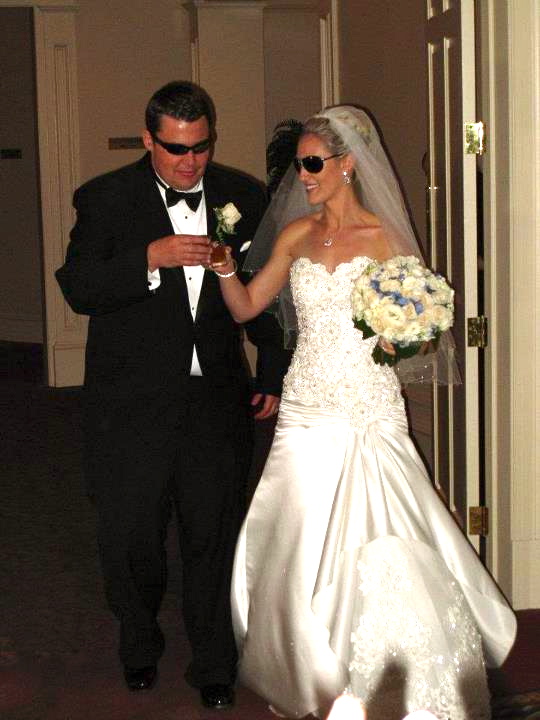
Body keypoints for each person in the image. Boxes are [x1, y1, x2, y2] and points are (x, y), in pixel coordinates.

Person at [208, 106, 517, 719]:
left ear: (347, 163)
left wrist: (401, 335)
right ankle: (307, 667)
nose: (304, 175)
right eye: (298, 165)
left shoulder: (385, 237)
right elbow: (245, 308)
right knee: (295, 529)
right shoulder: (295, 235)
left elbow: (421, 330)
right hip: (306, 405)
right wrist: (222, 270)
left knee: (385, 530)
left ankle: (394, 670)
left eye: (313, 163)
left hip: (368, 402)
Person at [55, 80, 291, 710]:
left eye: (201, 147)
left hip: (214, 396)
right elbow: (78, 287)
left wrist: (271, 367)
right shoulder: (105, 198)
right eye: (175, 149)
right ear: (148, 139)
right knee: (132, 533)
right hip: (130, 402)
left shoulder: (242, 195)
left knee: (212, 530)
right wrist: (149, 258)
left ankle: (214, 660)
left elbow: (264, 288)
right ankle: (139, 641)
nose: (190, 162)